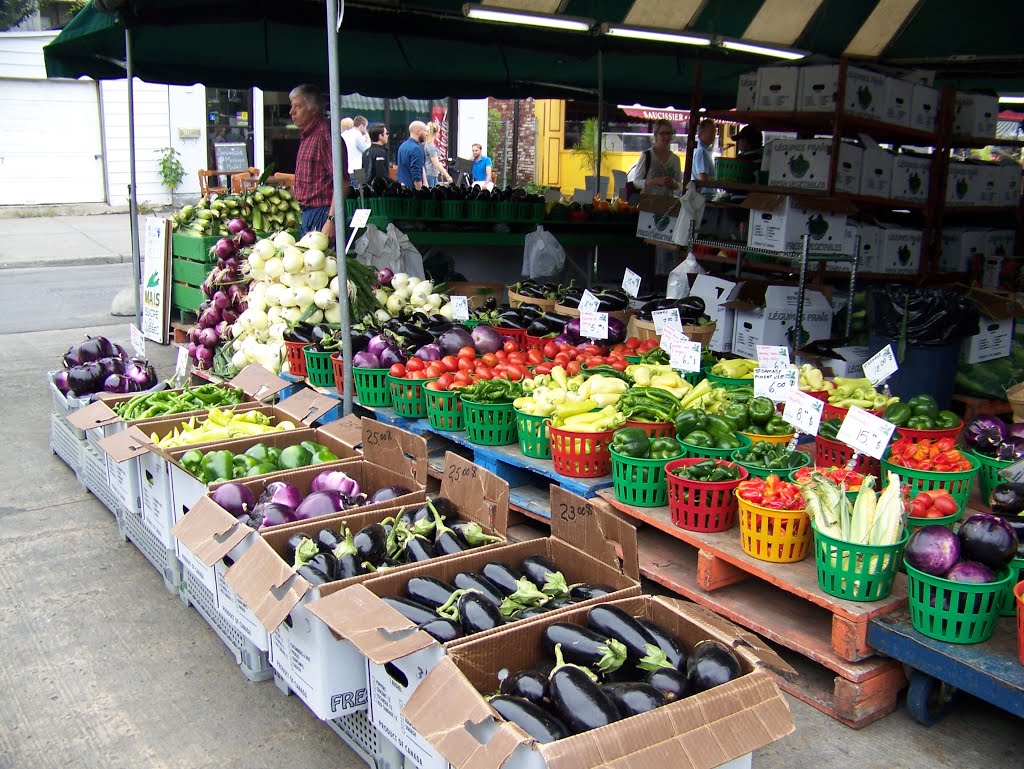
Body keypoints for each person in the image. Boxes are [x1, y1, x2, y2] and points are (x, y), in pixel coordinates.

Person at [629, 118, 682, 197]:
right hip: (648, 204)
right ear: (655, 135)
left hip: (667, 205)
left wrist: (674, 183)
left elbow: (680, 186)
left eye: (669, 133)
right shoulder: (647, 155)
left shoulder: (675, 159)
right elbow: (636, 182)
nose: (666, 137)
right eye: (662, 133)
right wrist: (655, 181)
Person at [396, 121, 427, 189]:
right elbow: (416, 172)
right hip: (412, 190)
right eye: (425, 131)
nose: (427, 134)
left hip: (401, 186)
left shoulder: (402, 146)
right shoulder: (416, 149)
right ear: (418, 132)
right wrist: (420, 190)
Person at [342, 115, 370, 185]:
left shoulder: (344, 134)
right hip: (358, 170)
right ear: (361, 126)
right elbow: (366, 150)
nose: (365, 130)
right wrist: (368, 140)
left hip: (345, 169)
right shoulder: (357, 135)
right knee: (361, 193)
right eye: (365, 127)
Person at [423, 121, 452, 188]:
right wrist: (447, 176)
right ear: (435, 133)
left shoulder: (426, 145)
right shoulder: (431, 146)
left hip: (430, 173)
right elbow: (436, 163)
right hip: (431, 174)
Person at [691, 117, 717, 188]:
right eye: (711, 132)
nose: (713, 135)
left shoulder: (705, 151)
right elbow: (702, 178)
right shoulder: (701, 152)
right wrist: (717, 180)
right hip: (703, 195)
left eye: (714, 132)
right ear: (701, 134)